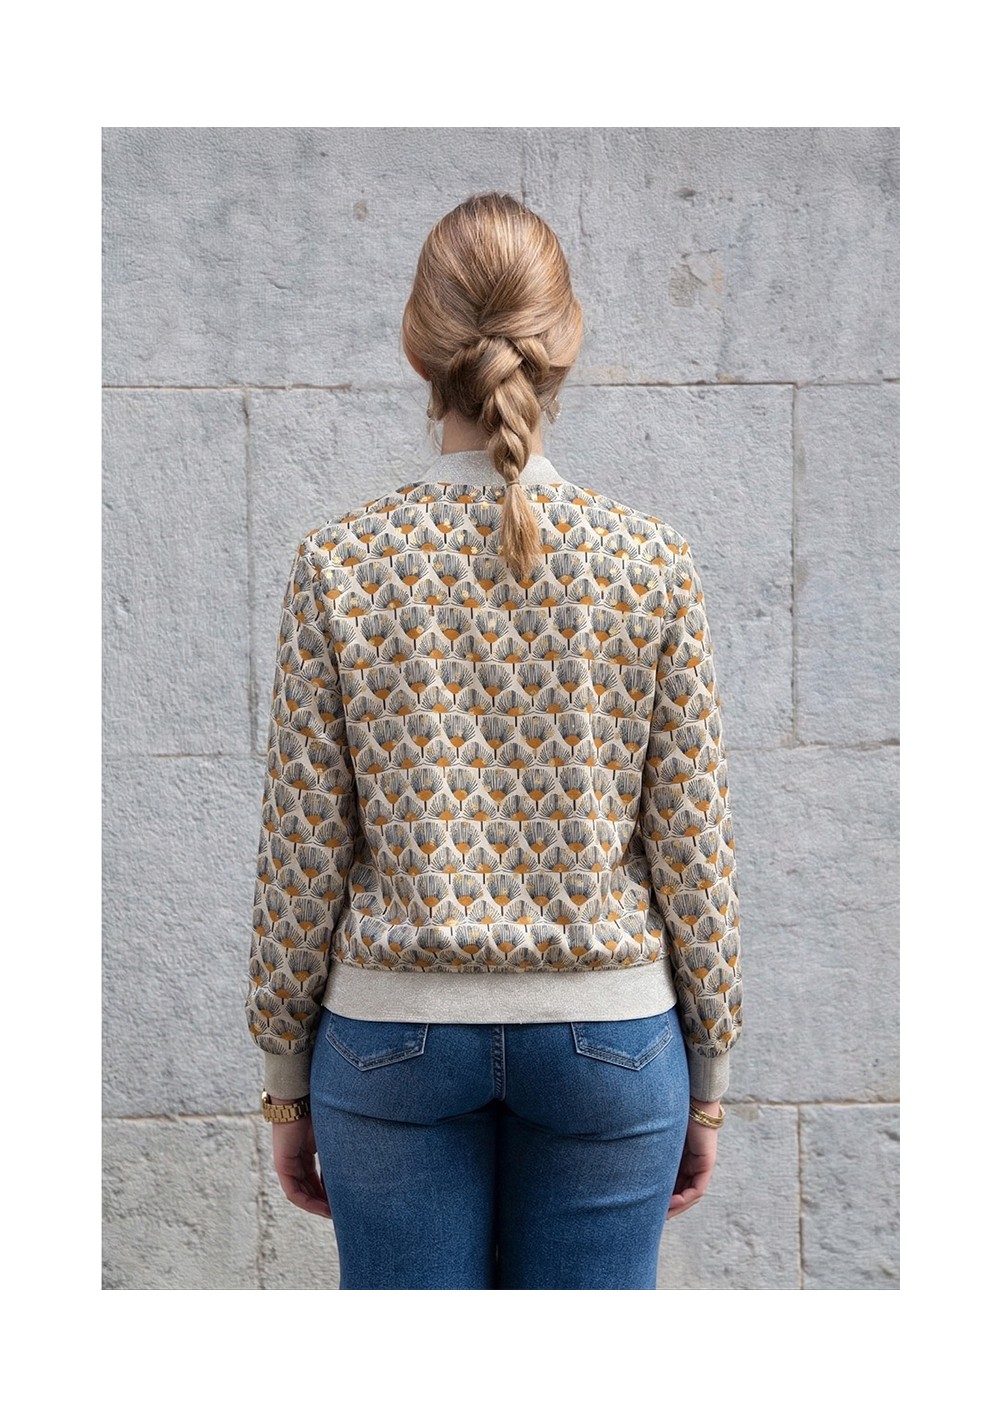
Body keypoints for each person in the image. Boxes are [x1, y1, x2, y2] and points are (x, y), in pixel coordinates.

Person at [245, 191, 743, 1290]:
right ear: (564, 345)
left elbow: (300, 851)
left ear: (418, 349)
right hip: (611, 1043)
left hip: (390, 1041)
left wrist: (285, 1079)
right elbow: (693, 848)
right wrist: (706, 1080)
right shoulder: (651, 562)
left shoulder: (341, 563)